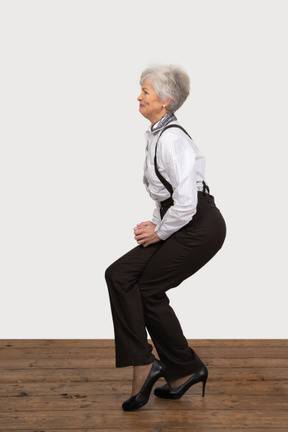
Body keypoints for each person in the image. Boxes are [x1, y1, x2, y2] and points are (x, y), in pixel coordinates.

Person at [105, 64, 226, 411]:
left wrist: (160, 231)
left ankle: (156, 366)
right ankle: (181, 369)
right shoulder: (159, 134)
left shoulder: (173, 139)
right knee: (120, 274)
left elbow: (188, 202)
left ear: (166, 101)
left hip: (201, 227)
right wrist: (156, 224)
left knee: (147, 288)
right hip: (183, 220)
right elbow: (168, 196)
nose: (139, 96)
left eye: (146, 91)